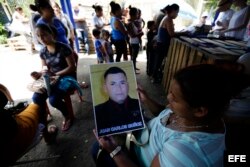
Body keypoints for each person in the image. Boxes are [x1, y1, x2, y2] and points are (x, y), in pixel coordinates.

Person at [92, 64, 248, 167]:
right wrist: (147, 99)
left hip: (137, 155)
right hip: (147, 133)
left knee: (96, 148)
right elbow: (164, 115)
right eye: (170, 92)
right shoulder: (208, 116)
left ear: (200, 111)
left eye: (175, 98)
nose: (168, 98)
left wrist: (114, 151)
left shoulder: (184, 151)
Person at [33, 23, 77, 131]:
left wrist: (56, 74)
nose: (41, 38)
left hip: (67, 78)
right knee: (36, 97)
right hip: (52, 79)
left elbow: (72, 67)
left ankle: (68, 116)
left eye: (43, 35)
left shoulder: (63, 48)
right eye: (38, 36)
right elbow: (44, 68)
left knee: (53, 100)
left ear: (51, 33)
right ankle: (43, 120)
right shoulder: (43, 51)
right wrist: (39, 74)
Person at [94, 66, 143, 136]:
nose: (119, 88)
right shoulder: (98, 111)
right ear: (105, 88)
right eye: (113, 84)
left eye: (122, 83)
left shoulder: (138, 103)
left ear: (128, 85)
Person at [152, 4, 184, 83]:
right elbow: (172, 34)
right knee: (159, 62)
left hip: (161, 43)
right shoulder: (168, 19)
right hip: (162, 44)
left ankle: (155, 77)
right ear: (173, 11)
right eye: (177, 12)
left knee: (159, 62)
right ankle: (154, 78)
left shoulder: (167, 18)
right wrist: (183, 33)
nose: (177, 14)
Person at [127, 6, 143, 73]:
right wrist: (139, 34)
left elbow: (134, 32)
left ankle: (134, 68)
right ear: (133, 15)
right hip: (134, 42)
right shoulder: (130, 23)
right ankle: (133, 70)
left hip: (135, 41)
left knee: (134, 57)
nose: (138, 15)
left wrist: (139, 31)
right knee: (134, 57)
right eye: (137, 14)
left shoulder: (133, 22)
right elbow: (131, 35)